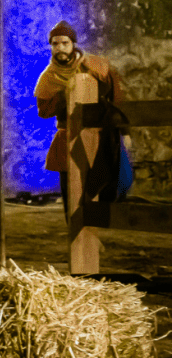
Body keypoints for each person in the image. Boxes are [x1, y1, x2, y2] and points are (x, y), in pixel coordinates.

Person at [34, 20, 131, 215]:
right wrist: (64, 95)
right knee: (73, 201)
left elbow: (117, 99)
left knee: (105, 190)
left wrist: (124, 131)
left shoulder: (97, 67)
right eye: (55, 44)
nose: (60, 48)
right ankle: (79, 242)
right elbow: (44, 111)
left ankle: (93, 239)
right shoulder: (48, 77)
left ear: (73, 44)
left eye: (64, 43)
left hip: (100, 138)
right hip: (68, 138)